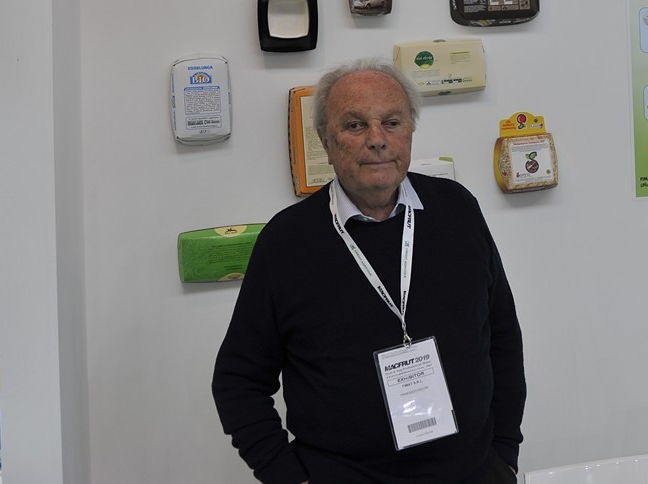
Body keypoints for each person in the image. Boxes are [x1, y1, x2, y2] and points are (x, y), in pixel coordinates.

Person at [213, 58, 526, 483]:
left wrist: (505, 451)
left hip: (475, 472)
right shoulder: (286, 242)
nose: (377, 140)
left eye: (392, 123)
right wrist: (286, 474)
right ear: (326, 141)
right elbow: (238, 379)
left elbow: (502, 334)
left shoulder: (457, 210)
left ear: (410, 130)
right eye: (355, 125)